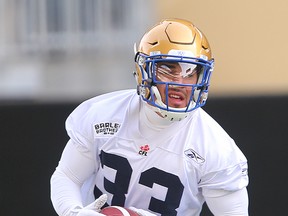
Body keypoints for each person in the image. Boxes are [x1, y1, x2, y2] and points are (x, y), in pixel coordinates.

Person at [50, 18, 249, 216]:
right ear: (143, 70)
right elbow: (68, 176)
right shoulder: (103, 115)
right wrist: (73, 213)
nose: (180, 82)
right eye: (168, 69)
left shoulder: (216, 148)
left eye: (190, 72)